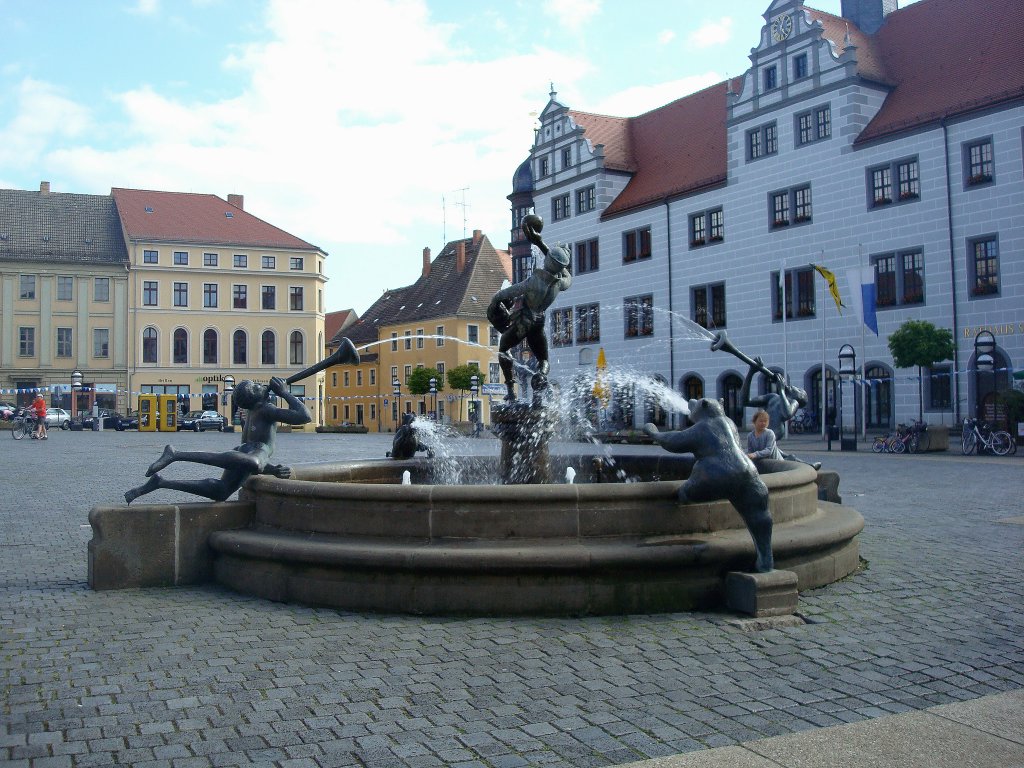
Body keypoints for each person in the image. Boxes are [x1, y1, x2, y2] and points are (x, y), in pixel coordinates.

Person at [125, 376, 311, 504]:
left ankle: (161, 482)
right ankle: (177, 454)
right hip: (255, 452)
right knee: (254, 463)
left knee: (221, 492)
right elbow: (304, 416)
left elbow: (255, 462)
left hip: (245, 452)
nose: (261, 386)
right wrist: (285, 393)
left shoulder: (253, 411)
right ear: (254, 398)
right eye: (256, 387)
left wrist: (273, 469)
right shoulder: (265, 409)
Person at [488, 214, 572, 401]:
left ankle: (510, 390)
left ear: (548, 261)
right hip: (538, 323)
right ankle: (541, 377)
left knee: (503, 349)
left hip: (523, 322)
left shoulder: (535, 281)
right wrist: (541, 244)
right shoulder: (559, 284)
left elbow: (509, 292)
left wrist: (496, 301)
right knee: (543, 360)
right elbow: (567, 275)